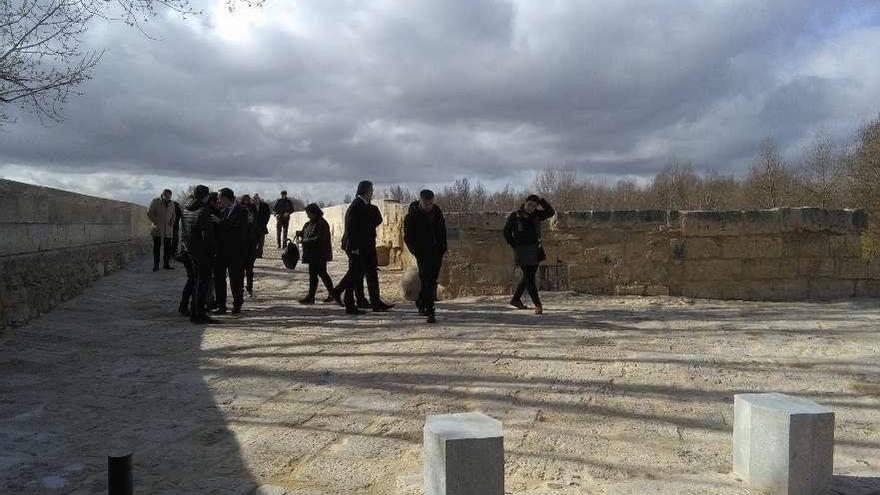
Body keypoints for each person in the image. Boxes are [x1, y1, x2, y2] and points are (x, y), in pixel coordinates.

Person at [332, 180, 394, 315]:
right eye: (371, 190)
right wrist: (354, 248)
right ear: (366, 191)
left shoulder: (365, 205)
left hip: (366, 246)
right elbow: (351, 228)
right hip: (358, 247)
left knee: (368, 273)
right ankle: (348, 302)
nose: (373, 192)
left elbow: (373, 221)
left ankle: (375, 302)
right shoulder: (357, 206)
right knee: (355, 275)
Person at [503, 194, 555, 315]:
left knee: (528, 275)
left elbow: (551, 212)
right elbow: (506, 232)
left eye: (534, 205)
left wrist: (542, 201)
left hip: (535, 249)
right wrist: (514, 245)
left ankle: (516, 299)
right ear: (525, 202)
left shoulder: (537, 215)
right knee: (529, 277)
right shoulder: (515, 216)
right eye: (530, 204)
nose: (531, 207)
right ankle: (538, 304)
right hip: (522, 250)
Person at [404, 189, 447, 324]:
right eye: (426, 204)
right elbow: (408, 237)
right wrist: (416, 251)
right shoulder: (412, 215)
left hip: (437, 251)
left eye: (431, 203)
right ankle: (430, 310)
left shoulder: (437, 212)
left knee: (431, 280)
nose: (429, 206)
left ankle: (421, 302)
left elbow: (442, 230)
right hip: (423, 253)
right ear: (420, 201)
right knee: (427, 279)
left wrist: (443, 247)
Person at [178, 185, 219, 324]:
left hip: (190, 250)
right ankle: (199, 314)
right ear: (206, 196)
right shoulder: (204, 210)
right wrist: (213, 251)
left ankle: (193, 312)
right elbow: (208, 236)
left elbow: (184, 232)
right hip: (202, 253)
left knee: (195, 281)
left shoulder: (186, 209)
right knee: (202, 283)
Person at [214, 188, 249, 314]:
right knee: (219, 279)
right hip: (221, 251)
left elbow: (239, 231)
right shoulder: (222, 211)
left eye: (220, 198)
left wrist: (221, 223)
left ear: (226, 198)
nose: (218, 200)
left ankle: (237, 304)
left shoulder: (241, 211)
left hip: (236, 252)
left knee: (236, 280)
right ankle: (221, 305)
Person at [296, 203, 335, 304]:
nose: (308, 215)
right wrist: (300, 233)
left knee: (321, 274)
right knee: (316, 275)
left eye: (309, 213)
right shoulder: (310, 223)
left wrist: (305, 241)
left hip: (320, 254)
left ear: (314, 213)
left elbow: (319, 239)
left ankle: (326, 294)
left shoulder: (322, 223)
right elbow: (307, 232)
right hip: (312, 254)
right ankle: (314, 296)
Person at [147, 189, 176, 271]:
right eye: (166, 196)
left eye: (169, 197)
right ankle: (156, 265)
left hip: (168, 229)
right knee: (156, 248)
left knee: (167, 248)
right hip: (157, 228)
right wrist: (156, 222)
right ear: (162, 195)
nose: (168, 198)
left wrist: (172, 221)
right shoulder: (155, 201)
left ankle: (166, 264)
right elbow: (149, 213)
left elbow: (174, 214)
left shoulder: (172, 203)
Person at [240, 195, 259, 296]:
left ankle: (249, 287)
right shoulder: (240, 210)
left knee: (250, 269)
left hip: (251, 245)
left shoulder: (253, 209)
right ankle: (242, 288)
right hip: (243, 246)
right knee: (242, 269)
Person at [253, 193, 271, 258]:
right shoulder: (252, 206)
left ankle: (259, 254)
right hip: (254, 227)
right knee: (254, 241)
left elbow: (268, 215)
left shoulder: (264, 205)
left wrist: (265, 223)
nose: (255, 200)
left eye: (256, 199)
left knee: (261, 242)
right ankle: (254, 253)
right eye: (254, 199)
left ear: (259, 199)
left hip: (262, 226)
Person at [171, 199, 182, 265]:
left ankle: (171, 253)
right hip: (175, 227)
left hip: (171, 227)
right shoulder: (178, 209)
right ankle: (174, 253)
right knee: (175, 240)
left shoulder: (172, 208)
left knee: (171, 240)